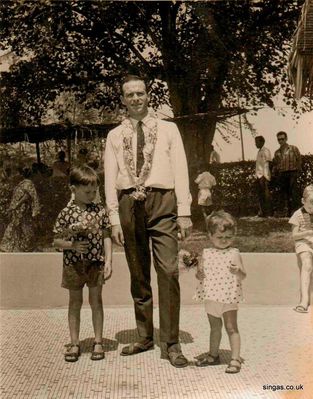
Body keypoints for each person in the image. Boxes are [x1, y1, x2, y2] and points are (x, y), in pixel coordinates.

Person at [104, 74, 192, 368]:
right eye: (130, 94)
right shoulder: (115, 135)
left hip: (162, 201)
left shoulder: (168, 130)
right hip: (130, 203)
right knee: (138, 271)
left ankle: (171, 342)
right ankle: (144, 336)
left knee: (168, 270)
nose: (136, 99)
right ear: (123, 99)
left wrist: (184, 211)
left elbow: (180, 169)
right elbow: (108, 180)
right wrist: (114, 218)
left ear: (147, 96)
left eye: (140, 93)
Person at [53, 166, 112, 362]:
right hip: (73, 265)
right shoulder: (66, 213)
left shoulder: (100, 211)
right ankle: (75, 342)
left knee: (96, 302)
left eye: (94, 191)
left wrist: (109, 260)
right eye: (87, 192)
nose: (91, 195)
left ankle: (98, 341)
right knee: (75, 303)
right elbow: (56, 241)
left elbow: (106, 237)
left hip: (95, 263)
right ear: (73, 189)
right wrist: (72, 245)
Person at [194, 210, 246, 373]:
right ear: (210, 235)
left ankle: (235, 358)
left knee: (231, 327)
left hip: (229, 297)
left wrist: (237, 270)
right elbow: (199, 274)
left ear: (234, 235)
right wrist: (199, 273)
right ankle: (213, 355)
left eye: (228, 237)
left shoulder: (234, 252)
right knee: (214, 327)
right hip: (211, 297)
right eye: (220, 237)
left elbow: (243, 275)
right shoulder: (206, 253)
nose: (224, 241)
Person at [0, 166, 40, 252]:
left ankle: (21, 245)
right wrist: (16, 206)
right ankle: (18, 245)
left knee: (20, 226)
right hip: (20, 209)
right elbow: (25, 196)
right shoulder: (26, 183)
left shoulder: (26, 183)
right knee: (19, 226)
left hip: (22, 209)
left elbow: (27, 196)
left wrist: (16, 205)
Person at [289, 185, 313, 313]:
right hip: (303, 243)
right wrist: (308, 233)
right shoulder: (297, 215)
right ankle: (304, 300)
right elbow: (294, 236)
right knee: (307, 264)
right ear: (303, 201)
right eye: (311, 204)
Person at [272, 131, 302, 216]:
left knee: (294, 193)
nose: (280, 141)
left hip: (292, 173)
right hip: (282, 174)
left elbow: (299, 160)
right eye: (279, 139)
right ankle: (286, 212)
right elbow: (276, 164)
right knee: (283, 194)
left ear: (286, 139)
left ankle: (296, 212)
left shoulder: (293, 148)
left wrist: (298, 172)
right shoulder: (277, 152)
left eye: (282, 139)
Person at [254, 136, 273, 217]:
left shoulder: (266, 151)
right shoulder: (259, 152)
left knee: (266, 195)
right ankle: (262, 213)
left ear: (262, 142)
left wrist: (266, 176)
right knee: (260, 195)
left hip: (264, 176)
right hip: (258, 176)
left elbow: (269, 163)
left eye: (257, 142)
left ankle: (269, 213)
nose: (255, 144)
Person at [195, 162, 216, 229]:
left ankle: (207, 222)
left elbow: (196, 181)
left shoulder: (201, 175)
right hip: (208, 192)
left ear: (202, 168)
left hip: (202, 191)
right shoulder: (211, 176)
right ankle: (210, 221)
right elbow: (214, 184)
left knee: (203, 208)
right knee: (209, 207)